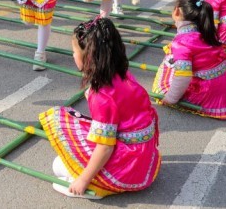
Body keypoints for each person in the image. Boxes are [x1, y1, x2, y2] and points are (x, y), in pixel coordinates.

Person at [39, 17, 160, 199]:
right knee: (64, 156)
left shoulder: (102, 96)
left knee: (58, 166)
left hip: (128, 165)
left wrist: (83, 180)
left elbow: (105, 147)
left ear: (87, 57)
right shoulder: (123, 74)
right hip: (145, 156)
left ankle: (98, 188)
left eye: (74, 51)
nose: (73, 56)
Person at [152, 0, 226, 119]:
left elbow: (183, 77)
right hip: (222, 87)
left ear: (177, 11)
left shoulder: (182, 42)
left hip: (207, 93)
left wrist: (170, 98)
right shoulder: (205, 30)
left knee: (162, 82)